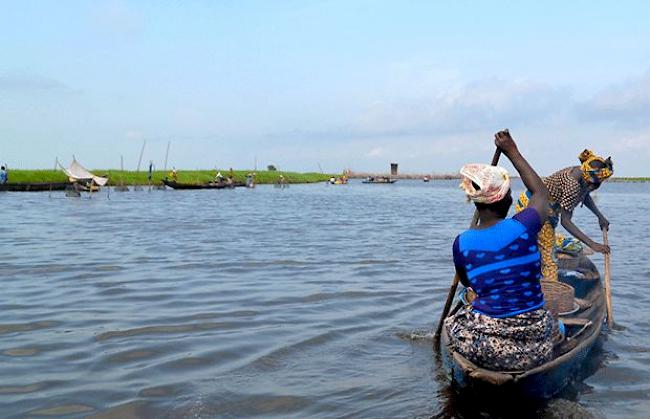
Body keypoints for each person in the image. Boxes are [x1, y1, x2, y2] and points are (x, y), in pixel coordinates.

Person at [445, 129, 553, 371]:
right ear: (505, 201)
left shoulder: (462, 243)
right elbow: (541, 193)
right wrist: (512, 152)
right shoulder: (524, 227)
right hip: (536, 347)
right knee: (554, 325)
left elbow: (467, 283)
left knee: (451, 322)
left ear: (476, 202)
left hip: (486, 349)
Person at [516, 150, 613, 281]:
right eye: (598, 184)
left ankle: (536, 277)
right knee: (549, 259)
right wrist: (592, 244)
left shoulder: (582, 173)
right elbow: (565, 221)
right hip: (532, 208)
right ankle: (550, 293)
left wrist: (599, 216)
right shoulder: (573, 184)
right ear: (591, 183)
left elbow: (584, 194)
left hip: (541, 208)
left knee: (537, 248)